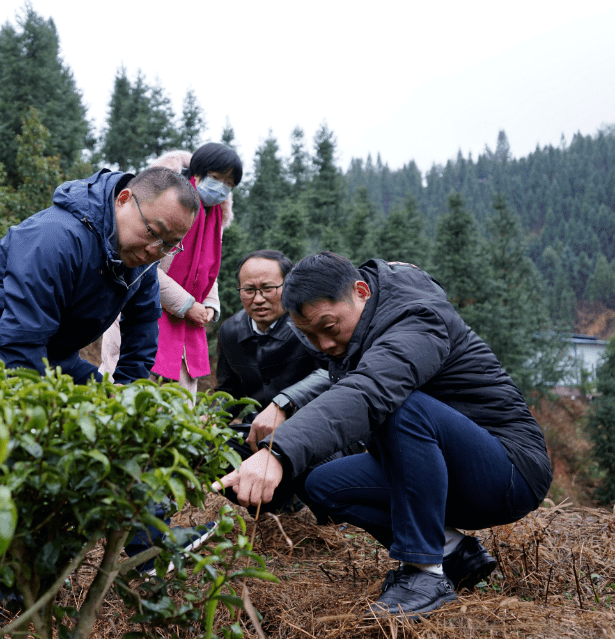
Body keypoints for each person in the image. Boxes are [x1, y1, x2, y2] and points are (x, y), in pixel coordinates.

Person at [214, 252, 552, 619]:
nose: (324, 345)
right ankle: (453, 552)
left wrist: (277, 452)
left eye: (328, 327)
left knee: (403, 406)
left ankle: (424, 573)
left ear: (361, 291)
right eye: (309, 336)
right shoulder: (358, 326)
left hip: (508, 472)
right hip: (448, 472)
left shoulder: (418, 320)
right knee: (324, 485)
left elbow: (369, 390)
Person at [0, 166, 199, 383]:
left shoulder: (140, 259)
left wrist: (128, 395)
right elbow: (21, 337)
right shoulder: (56, 238)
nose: (154, 250)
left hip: (54, 357)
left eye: (168, 244)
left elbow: (142, 328)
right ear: (123, 199)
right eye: (153, 232)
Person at [214, 249, 359, 514]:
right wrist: (209, 418)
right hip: (260, 435)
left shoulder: (309, 324)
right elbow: (229, 388)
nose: (258, 299)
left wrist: (284, 403)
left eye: (268, 289)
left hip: (319, 432)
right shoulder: (231, 331)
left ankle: (322, 505)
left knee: (323, 475)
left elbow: (333, 370)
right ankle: (274, 503)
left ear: (288, 285)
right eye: (248, 290)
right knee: (209, 447)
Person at [101, 143, 242, 394]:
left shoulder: (214, 219)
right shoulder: (170, 209)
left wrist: (209, 304)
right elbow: (144, 264)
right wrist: (187, 304)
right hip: (146, 310)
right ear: (196, 173)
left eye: (229, 184)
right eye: (216, 178)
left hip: (187, 323)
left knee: (178, 401)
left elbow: (208, 270)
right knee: (128, 389)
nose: (222, 188)